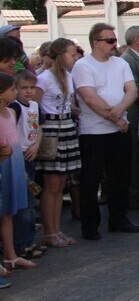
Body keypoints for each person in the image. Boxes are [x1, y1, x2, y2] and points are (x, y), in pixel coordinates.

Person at [72, 23, 139, 240]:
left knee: (121, 177)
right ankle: (90, 225)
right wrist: (115, 118)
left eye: (115, 40)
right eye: (110, 41)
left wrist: (120, 113)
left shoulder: (120, 63)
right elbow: (89, 97)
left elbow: (132, 90)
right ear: (96, 42)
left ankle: (118, 218)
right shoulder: (83, 65)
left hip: (119, 129)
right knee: (91, 180)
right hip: (93, 132)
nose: (115, 44)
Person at [34, 38, 80, 248]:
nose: (74, 58)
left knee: (61, 183)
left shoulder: (68, 77)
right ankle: (49, 232)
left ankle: (57, 230)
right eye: (71, 54)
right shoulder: (43, 79)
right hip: (52, 131)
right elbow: (35, 107)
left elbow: (69, 105)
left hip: (67, 127)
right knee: (51, 184)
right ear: (61, 55)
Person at [0, 73, 38, 271]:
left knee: (8, 211)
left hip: (14, 163)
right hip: (2, 165)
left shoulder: (11, 112)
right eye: (13, 89)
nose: (16, 92)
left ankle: (11, 255)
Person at [11, 71, 45, 260]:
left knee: (31, 200)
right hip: (19, 156)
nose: (29, 92)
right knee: (23, 204)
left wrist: (37, 145)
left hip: (32, 153)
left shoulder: (35, 105)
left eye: (32, 87)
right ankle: (21, 243)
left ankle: (28, 240)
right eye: (24, 88)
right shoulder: (15, 107)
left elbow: (39, 126)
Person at [120, 26, 139, 210]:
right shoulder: (127, 60)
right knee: (134, 156)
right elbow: (135, 87)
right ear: (137, 39)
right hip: (133, 114)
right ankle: (133, 193)